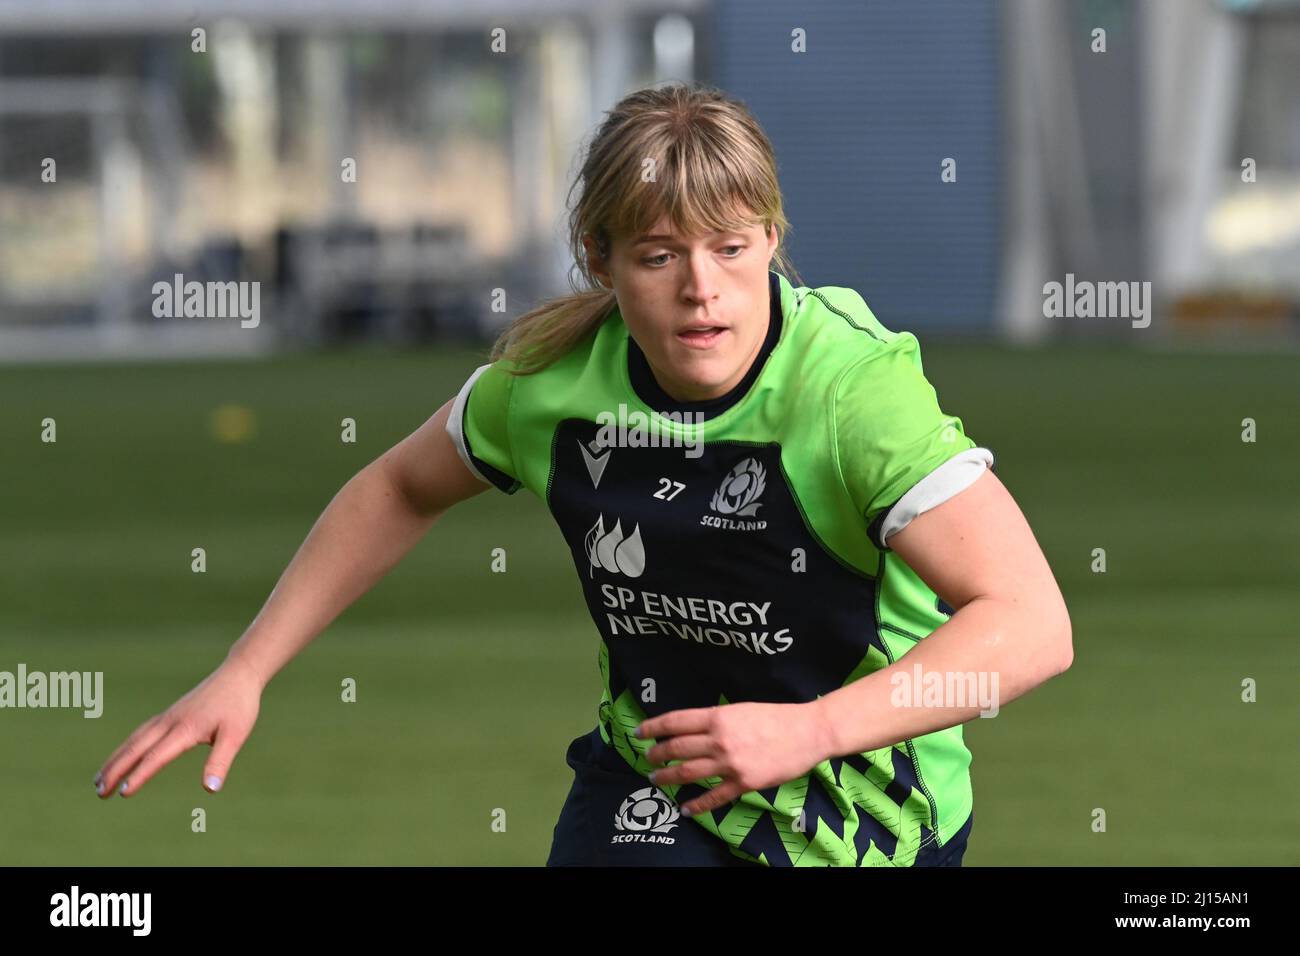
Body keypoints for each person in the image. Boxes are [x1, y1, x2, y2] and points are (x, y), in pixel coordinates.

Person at [93, 82, 1072, 867]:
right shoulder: (546, 386)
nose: (702, 287)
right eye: (658, 254)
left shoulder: (854, 395)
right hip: (653, 780)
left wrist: (811, 730)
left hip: (867, 806)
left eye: (731, 248)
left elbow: (1030, 624)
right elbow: (398, 486)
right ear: (597, 258)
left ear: (773, 239)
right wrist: (246, 669)